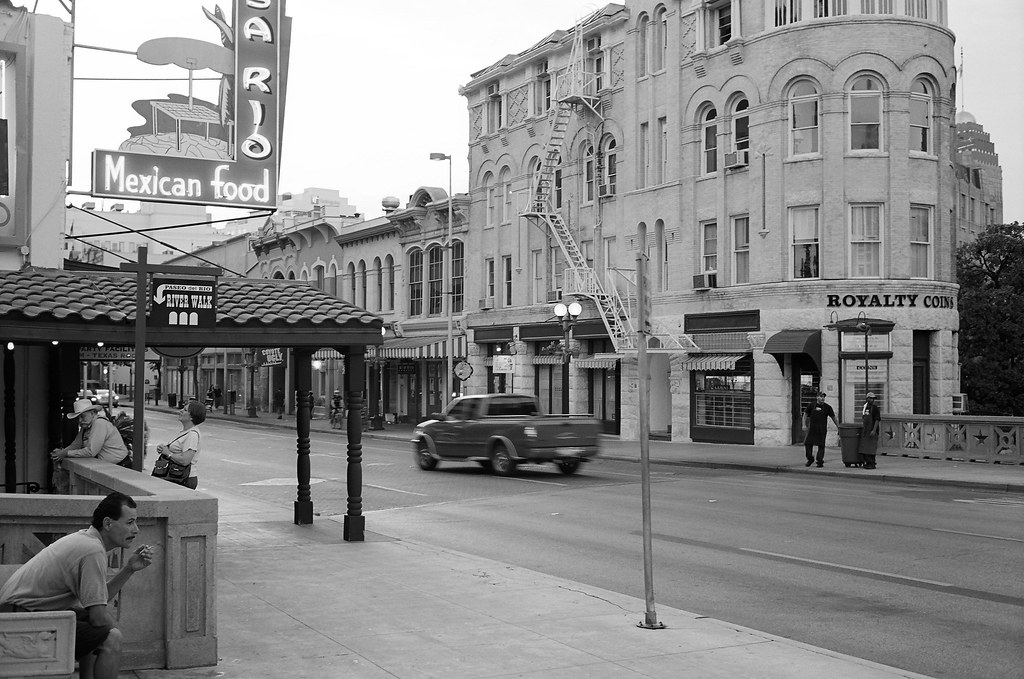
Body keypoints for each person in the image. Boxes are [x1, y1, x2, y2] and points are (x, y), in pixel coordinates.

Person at [0, 492, 154, 679]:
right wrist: (114, 629)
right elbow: (98, 618)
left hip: (19, 613)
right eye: (130, 522)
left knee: (95, 624)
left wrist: (129, 569)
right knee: (112, 638)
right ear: (107, 523)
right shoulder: (92, 550)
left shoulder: (87, 540)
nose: (136, 529)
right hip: (18, 621)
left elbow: (98, 602)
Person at [52, 398, 132, 468]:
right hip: (109, 466)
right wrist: (62, 453)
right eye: (78, 418)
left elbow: (91, 451)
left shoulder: (99, 423)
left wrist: (65, 453)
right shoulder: (86, 426)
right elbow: (76, 444)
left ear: (93, 413)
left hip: (120, 466)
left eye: (82, 416)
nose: (80, 420)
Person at [155, 400, 205, 490]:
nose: (181, 411)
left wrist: (168, 453)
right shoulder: (185, 432)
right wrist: (164, 449)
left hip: (183, 478)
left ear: (192, 417)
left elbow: (185, 460)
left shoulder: (192, 435)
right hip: (176, 475)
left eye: (185, 410)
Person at [803, 391, 839, 468]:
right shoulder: (811, 405)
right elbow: (805, 414)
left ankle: (819, 461)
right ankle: (810, 459)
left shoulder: (828, 407)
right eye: (821, 396)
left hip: (821, 429)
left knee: (821, 445)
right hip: (812, 428)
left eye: (823, 397)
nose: (822, 398)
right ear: (817, 397)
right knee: (808, 443)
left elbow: (834, 418)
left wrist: (838, 427)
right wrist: (803, 424)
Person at [860, 391, 882, 469]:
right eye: (871, 398)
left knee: (871, 449)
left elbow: (877, 420)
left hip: (873, 431)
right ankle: (867, 462)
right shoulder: (865, 408)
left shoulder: (875, 408)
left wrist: (874, 430)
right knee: (865, 448)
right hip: (866, 431)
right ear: (867, 399)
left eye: (873, 399)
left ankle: (872, 463)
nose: (872, 400)